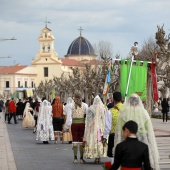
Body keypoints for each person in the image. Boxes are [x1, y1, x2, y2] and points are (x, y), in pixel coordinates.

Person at [114, 93, 160, 170]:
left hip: (127, 142)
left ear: (129, 101)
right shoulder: (144, 112)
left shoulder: (124, 113)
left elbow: (120, 130)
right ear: (139, 101)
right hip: (142, 140)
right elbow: (149, 130)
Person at [83, 95, 107, 163]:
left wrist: (88, 127)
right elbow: (104, 119)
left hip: (92, 129)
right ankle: (98, 156)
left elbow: (88, 120)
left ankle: (94, 155)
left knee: (93, 142)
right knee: (99, 142)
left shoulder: (91, 108)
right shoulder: (103, 108)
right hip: (99, 130)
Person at [103, 91, 123, 161]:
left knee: (113, 158)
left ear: (113, 99)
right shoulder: (126, 109)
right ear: (121, 99)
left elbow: (107, 126)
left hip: (113, 137)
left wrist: (104, 137)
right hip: (124, 137)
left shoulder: (110, 111)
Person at [70, 91, 86, 163]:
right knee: (81, 140)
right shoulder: (85, 105)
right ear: (80, 97)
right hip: (82, 123)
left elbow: (70, 116)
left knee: (75, 140)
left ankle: (75, 158)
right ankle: (81, 158)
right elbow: (86, 115)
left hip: (74, 124)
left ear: (74, 98)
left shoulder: (71, 105)